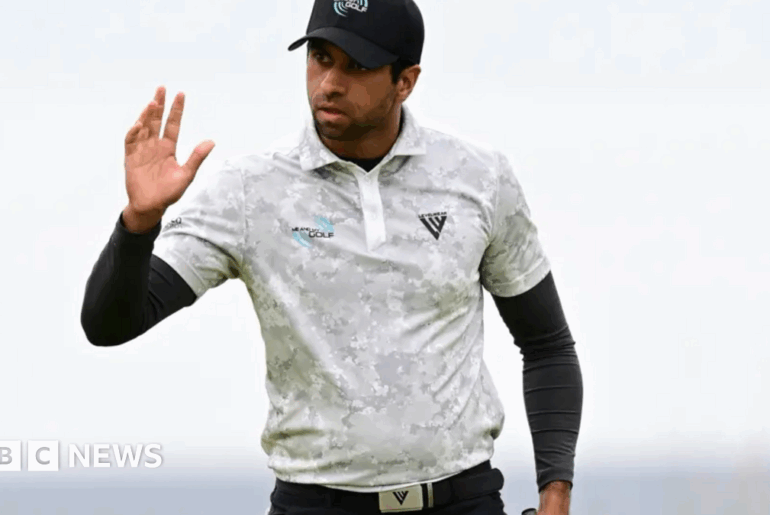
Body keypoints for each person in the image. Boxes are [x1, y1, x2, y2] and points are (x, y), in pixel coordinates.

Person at [80, 0, 583, 513]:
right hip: (314, 504)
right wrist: (138, 223)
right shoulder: (250, 191)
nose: (330, 83)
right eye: (320, 57)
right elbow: (109, 324)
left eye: (357, 66)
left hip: (463, 500)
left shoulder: (478, 178)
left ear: (405, 82)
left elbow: (546, 345)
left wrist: (555, 492)